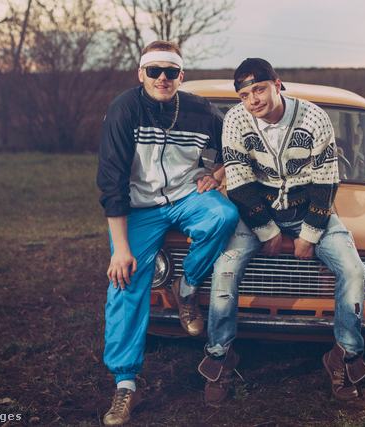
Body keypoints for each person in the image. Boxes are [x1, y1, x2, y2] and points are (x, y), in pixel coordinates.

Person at [197, 58, 365, 406]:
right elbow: (240, 182)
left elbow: (326, 181)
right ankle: (220, 356)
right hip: (256, 212)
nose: (253, 100)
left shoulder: (314, 117)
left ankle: (345, 356)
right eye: (245, 95)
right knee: (224, 269)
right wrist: (266, 230)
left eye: (259, 89)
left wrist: (309, 234)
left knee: (354, 269)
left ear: (277, 85)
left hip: (310, 210)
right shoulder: (236, 119)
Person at [96, 40, 239, 425]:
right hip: (139, 207)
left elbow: (235, 146)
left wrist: (217, 173)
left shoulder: (200, 109)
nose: (163, 78)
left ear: (181, 75)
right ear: (141, 73)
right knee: (125, 281)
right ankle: (125, 382)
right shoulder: (124, 109)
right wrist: (120, 248)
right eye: (154, 70)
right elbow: (111, 180)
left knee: (224, 216)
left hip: (186, 196)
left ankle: (186, 288)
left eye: (171, 71)